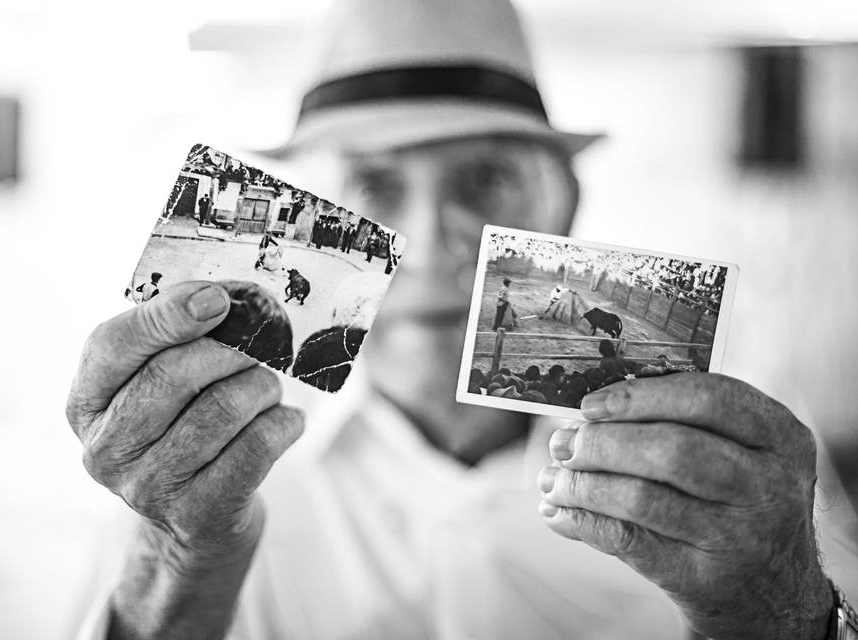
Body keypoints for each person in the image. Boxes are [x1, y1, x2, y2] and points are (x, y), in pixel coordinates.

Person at [68, 0, 858, 638]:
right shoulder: (189, 473)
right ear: (297, 221)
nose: (429, 243)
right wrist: (177, 561)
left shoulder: (740, 477)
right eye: (372, 184)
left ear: (563, 207)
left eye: (486, 178)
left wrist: (779, 613)